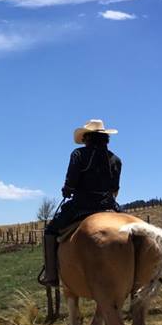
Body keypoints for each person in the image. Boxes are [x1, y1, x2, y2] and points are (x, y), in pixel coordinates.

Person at [39, 119, 123, 287]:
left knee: (50, 231)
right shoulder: (116, 159)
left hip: (82, 206)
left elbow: (71, 182)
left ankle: (51, 275)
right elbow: (115, 189)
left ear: (87, 137)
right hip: (108, 205)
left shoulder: (78, 154)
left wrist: (67, 190)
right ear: (105, 138)